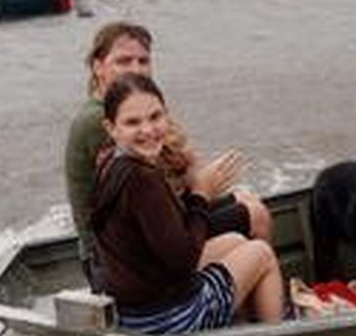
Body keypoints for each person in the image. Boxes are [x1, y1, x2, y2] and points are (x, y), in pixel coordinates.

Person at [64, 22, 270, 277]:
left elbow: (175, 172)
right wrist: (202, 188)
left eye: (143, 61)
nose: (136, 69)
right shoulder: (99, 121)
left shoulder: (134, 105)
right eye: (123, 61)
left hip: (149, 229)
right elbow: (153, 191)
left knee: (246, 200)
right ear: (98, 67)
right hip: (116, 260)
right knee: (255, 216)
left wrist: (198, 180)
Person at [91, 74, 287, 331]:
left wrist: (194, 192)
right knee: (261, 253)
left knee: (236, 242)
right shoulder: (143, 179)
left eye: (155, 117)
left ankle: (240, 325)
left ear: (167, 115)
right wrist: (201, 193)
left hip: (132, 313)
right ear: (111, 128)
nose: (148, 130)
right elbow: (184, 263)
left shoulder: (109, 163)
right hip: (169, 320)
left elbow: (163, 233)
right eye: (132, 122)